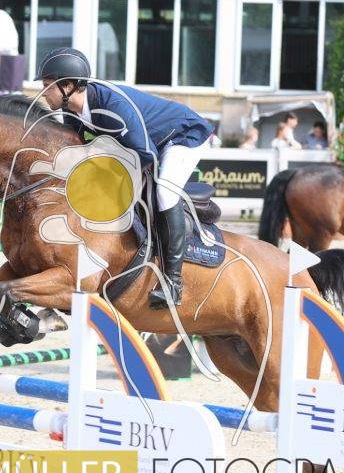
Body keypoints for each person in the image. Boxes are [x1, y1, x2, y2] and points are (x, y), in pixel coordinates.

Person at [35, 47, 213, 310]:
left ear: (69, 86)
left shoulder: (112, 105)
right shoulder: (70, 111)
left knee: (164, 191)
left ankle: (173, 282)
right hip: (145, 144)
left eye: (47, 86)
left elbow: (146, 154)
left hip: (182, 136)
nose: (43, 92)